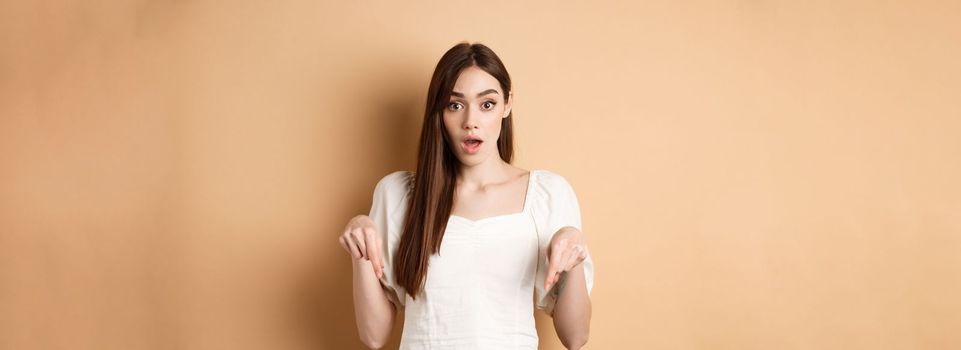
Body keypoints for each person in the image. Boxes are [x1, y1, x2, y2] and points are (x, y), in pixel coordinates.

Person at [338, 42, 594, 349]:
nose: (470, 121)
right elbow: (374, 336)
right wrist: (361, 248)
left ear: (507, 105)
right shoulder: (399, 195)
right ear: (439, 111)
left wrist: (575, 251)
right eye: (455, 105)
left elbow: (576, 336)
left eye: (487, 104)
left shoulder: (548, 194)